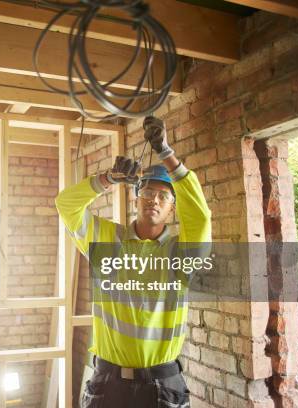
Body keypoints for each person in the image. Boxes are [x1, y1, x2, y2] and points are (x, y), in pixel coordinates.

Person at [55, 116, 211, 407]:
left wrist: (166, 153)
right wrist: (108, 178)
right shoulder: (106, 240)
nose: (155, 200)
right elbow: (66, 205)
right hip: (108, 384)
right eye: (149, 193)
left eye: (164, 197)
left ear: (172, 209)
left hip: (162, 386)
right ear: (137, 198)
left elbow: (200, 217)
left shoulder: (181, 254)